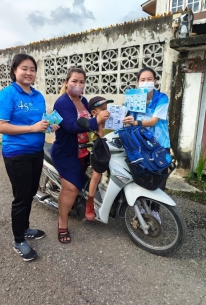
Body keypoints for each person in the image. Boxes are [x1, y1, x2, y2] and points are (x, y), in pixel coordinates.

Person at [0, 53, 59, 261]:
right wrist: (32, 128)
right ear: (14, 70)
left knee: (30, 192)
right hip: (16, 154)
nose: (29, 72)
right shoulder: (7, 95)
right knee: (21, 197)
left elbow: (40, 121)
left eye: (32, 69)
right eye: (24, 68)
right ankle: (18, 239)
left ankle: (25, 227)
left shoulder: (38, 96)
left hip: (35, 152)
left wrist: (50, 124)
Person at [51, 68, 110, 243]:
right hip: (66, 153)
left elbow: (90, 123)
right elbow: (71, 126)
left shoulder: (83, 100)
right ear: (67, 82)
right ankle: (62, 224)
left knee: (85, 183)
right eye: (74, 81)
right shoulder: (62, 103)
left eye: (81, 82)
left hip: (84, 151)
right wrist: (95, 121)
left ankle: (83, 205)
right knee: (71, 188)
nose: (78, 85)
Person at [122, 67, 171, 223]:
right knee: (143, 176)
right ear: (137, 83)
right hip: (141, 146)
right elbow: (128, 118)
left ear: (155, 81)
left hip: (160, 145)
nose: (146, 83)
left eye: (149, 79)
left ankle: (155, 210)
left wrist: (136, 122)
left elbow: (154, 120)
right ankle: (143, 208)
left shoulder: (162, 98)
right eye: (142, 80)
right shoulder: (134, 99)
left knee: (159, 178)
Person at [85, 96, 114, 220]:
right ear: (94, 112)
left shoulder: (110, 121)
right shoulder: (92, 124)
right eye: (103, 109)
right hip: (97, 153)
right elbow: (101, 137)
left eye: (108, 108)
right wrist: (100, 122)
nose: (107, 111)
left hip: (110, 152)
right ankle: (90, 202)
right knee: (96, 176)